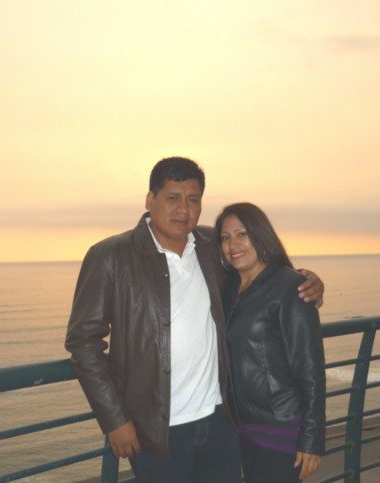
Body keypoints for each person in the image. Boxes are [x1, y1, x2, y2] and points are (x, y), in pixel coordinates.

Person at [65, 157, 324, 483]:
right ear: (150, 200)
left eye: (193, 199)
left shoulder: (212, 246)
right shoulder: (111, 256)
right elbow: (83, 343)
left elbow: (260, 275)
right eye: (172, 197)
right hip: (157, 430)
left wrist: (306, 281)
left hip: (221, 421)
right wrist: (114, 419)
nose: (183, 209)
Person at [215, 202, 326, 483]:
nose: (233, 245)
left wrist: (312, 438)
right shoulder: (228, 289)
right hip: (244, 425)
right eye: (225, 237)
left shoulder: (291, 287)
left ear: (260, 235)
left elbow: (310, 369)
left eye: (242, 234)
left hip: (280, 428)